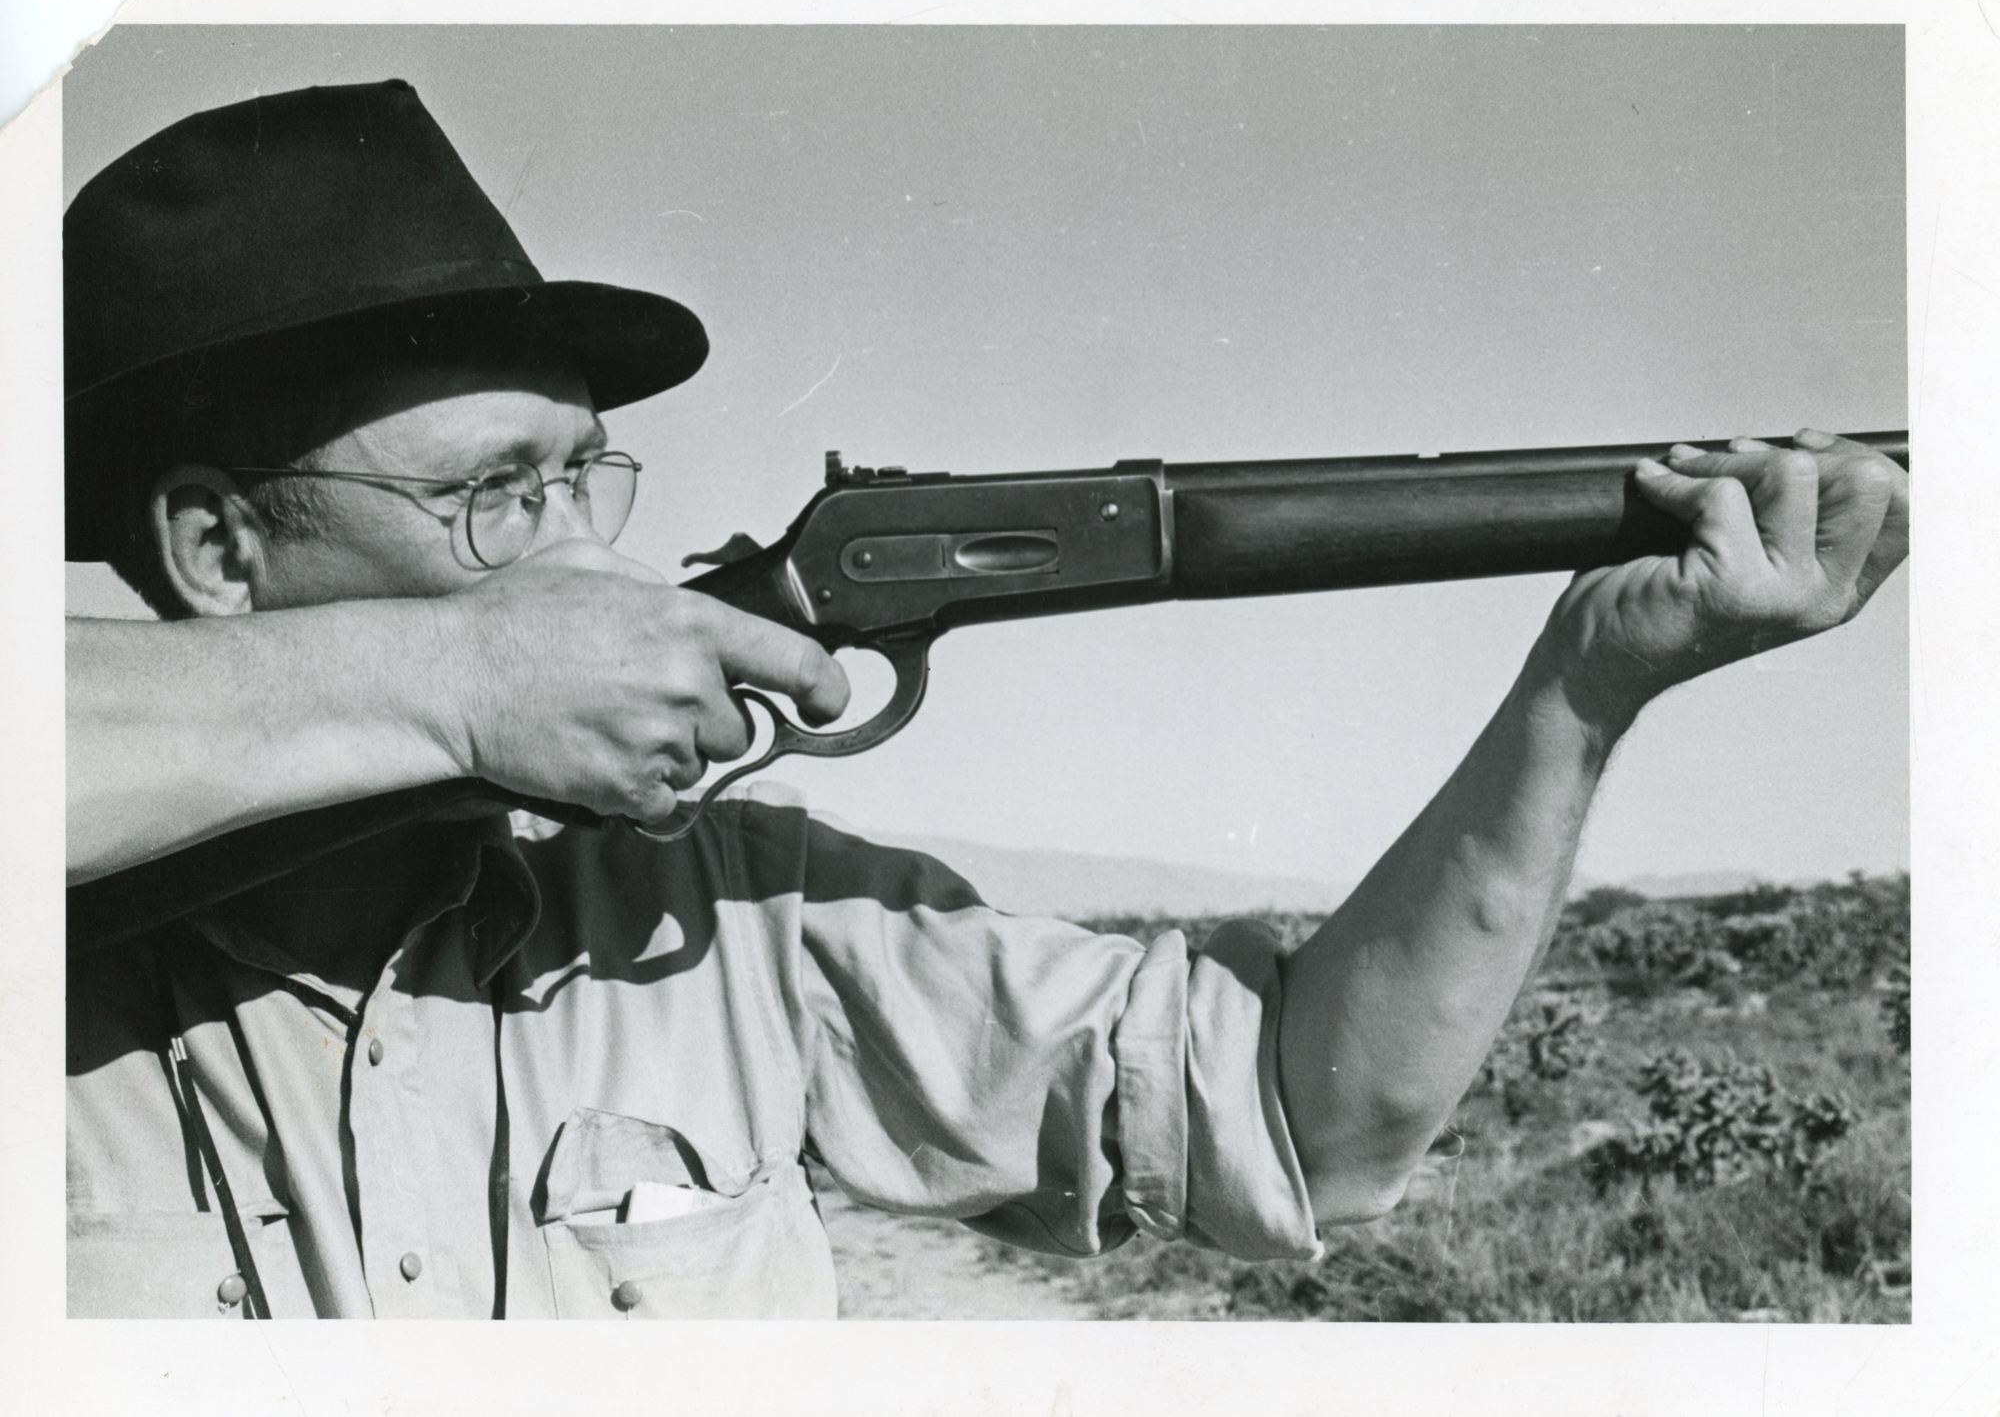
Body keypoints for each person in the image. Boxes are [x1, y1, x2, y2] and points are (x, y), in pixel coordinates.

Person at [64, 81, 1908, 1319]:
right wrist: (457, 679)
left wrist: (1585, 690)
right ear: (218, 550)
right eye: (491, 496)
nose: (581, 561)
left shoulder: (731, 913)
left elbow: (1311, 1124)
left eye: (583, 477)